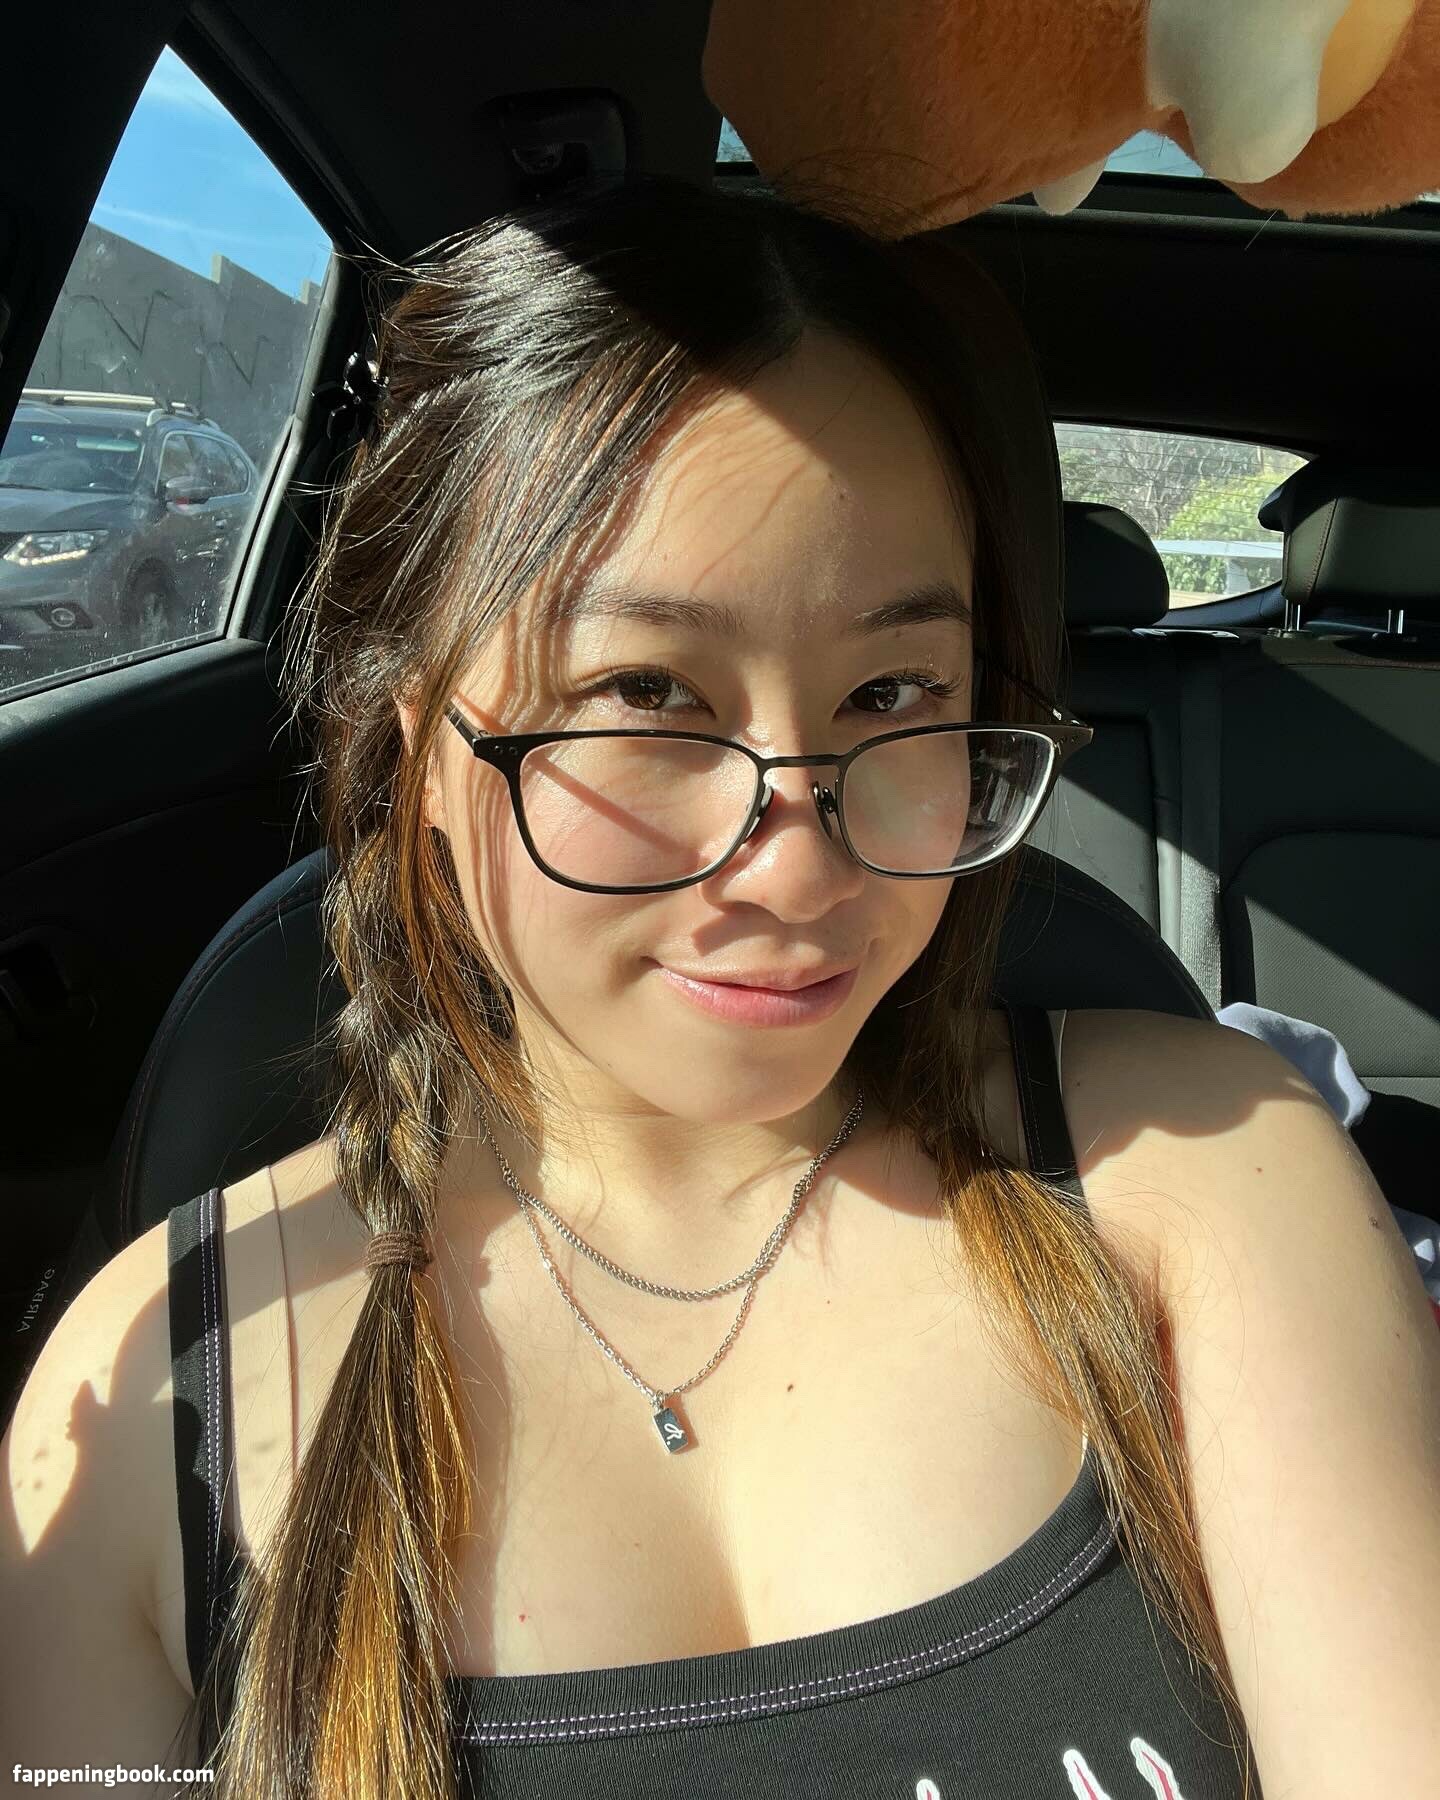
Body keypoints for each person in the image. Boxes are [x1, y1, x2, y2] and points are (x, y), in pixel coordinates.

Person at [3, 171, 1437, 1800]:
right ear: (418, 747)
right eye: (645, 692)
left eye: (892, 692)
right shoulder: (159, 1410)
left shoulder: (1206, 1176)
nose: (797, 869)